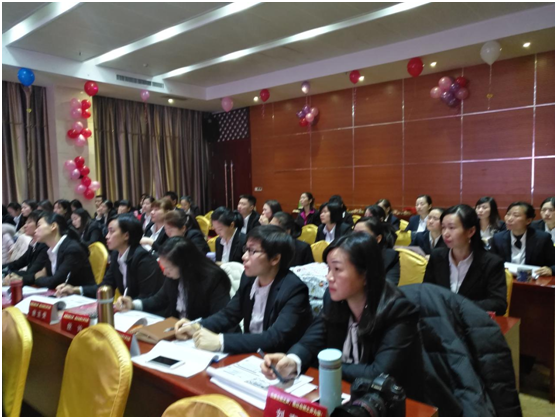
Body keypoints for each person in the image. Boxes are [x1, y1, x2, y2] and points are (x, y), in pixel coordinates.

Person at [259, 233, 424, 402]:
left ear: (365, 274)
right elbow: (313, 339)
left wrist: (325, 365)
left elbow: (379, 373)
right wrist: (293, 361)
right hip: (345, 392)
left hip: (394, 402)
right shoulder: (334, 299)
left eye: (337, 269)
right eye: (328, 268)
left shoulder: (398, 310)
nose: (329, 277)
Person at [175, 225, 312, 354]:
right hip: (249, 354)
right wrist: (197, 326)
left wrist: (220, 341)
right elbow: (229, 314)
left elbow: (274, 337)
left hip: (279, 360)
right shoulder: (249, 279)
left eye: (252, 251)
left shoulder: (294, 290)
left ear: (275, 258)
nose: (244, 257)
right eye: (246, 249)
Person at [116, 237, 231, 318]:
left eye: (168, 268)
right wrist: (133, 304)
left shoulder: (213, 279)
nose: (165, 273)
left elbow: (220, 317)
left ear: (185, 265)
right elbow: (159, 300)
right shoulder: (175, 276)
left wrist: (194, 327)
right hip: (179, 332)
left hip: (204, 335)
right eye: (163, 267)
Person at [423, 205, 507, 315]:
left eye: (451, 228)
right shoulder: (436, 256)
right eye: (443, 227)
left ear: (471, 231)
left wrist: (458, 306)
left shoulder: (491, 263)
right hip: (440, 319)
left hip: (472, 320)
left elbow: (499, 304)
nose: (445, 233)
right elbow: (426, 291)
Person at [56, 214, 164, 299]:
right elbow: (106, 286)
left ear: (126, 235)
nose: (107, 236)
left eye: (111, 231)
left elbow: (147, 297)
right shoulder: (116, 254)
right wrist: (75, 290)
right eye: (107, 231)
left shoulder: (143, 258)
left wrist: (127, 305)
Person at [32, 212, 96, 289]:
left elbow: (54, 282)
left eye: (38, 226)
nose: (35, 231)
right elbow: (45, 275)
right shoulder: (52, 249)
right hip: (61, 293)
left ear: (53, 226)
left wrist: (38, 279)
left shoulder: (72, 250)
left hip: (81, 295)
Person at [491, 202, 555, 276]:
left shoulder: (542, 238)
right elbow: (491, 263)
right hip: (507, 279)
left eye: (516, 215)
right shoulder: (498, 238)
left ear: (528, 220)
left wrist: (551, 270)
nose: (509, 219)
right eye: (508, 214)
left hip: (534, 280)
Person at [3, 211, 49, 285]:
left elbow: (32, 272)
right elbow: (19, 263)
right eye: (25, 222)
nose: (25, 226)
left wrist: (12, 275)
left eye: (29, 222)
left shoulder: (45, 246)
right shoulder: (33, 243)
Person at [354, 217, 400, 285]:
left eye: (362, 234)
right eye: (354, 233)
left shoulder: (390, 257)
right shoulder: (346, 253)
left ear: (378, 239)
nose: (355, 237)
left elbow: (389, 286)